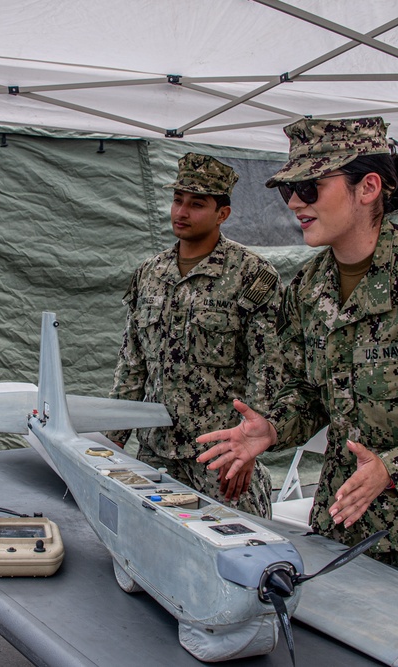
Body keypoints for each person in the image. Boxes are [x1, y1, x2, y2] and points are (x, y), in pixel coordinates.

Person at [197, 117, 398, 600]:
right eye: (288, 189)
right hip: (343, 529)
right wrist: (275, 425)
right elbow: (310, 392)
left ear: (368, 187)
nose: (294, 202)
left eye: (310, 186)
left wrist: (394, 468)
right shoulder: (309, 288)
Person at [108, 152, 283, 517]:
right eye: (178, 200)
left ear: (223, 214)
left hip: (221, 456)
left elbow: (267, 371)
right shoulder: (149, 273)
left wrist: (249, 448)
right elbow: (132, 366)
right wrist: (112, 441)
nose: (181, 212)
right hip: (156, 453)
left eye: (196, 204)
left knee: (239, 554)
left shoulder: (251, 274)